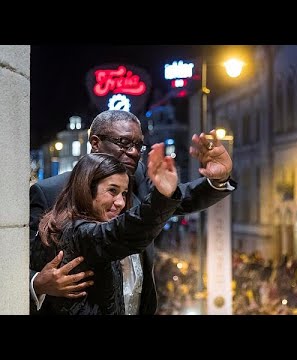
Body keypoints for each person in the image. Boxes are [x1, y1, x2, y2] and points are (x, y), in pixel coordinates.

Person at [30, 109, 236, 315]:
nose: (135, 152)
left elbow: (177, 199)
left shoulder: (137, 179)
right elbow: (17, 260)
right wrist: (36, 284)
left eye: (139, 145)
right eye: (124, 143)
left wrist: (218, 180)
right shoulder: (50, 192)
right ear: (95, 143)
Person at [30, 147, 181, 314]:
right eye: (112, 191)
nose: (121, 202)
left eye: (124, 193)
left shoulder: (74, 224)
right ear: (87, 188)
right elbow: (123, 232)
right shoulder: (76, 232)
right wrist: (162, 197)